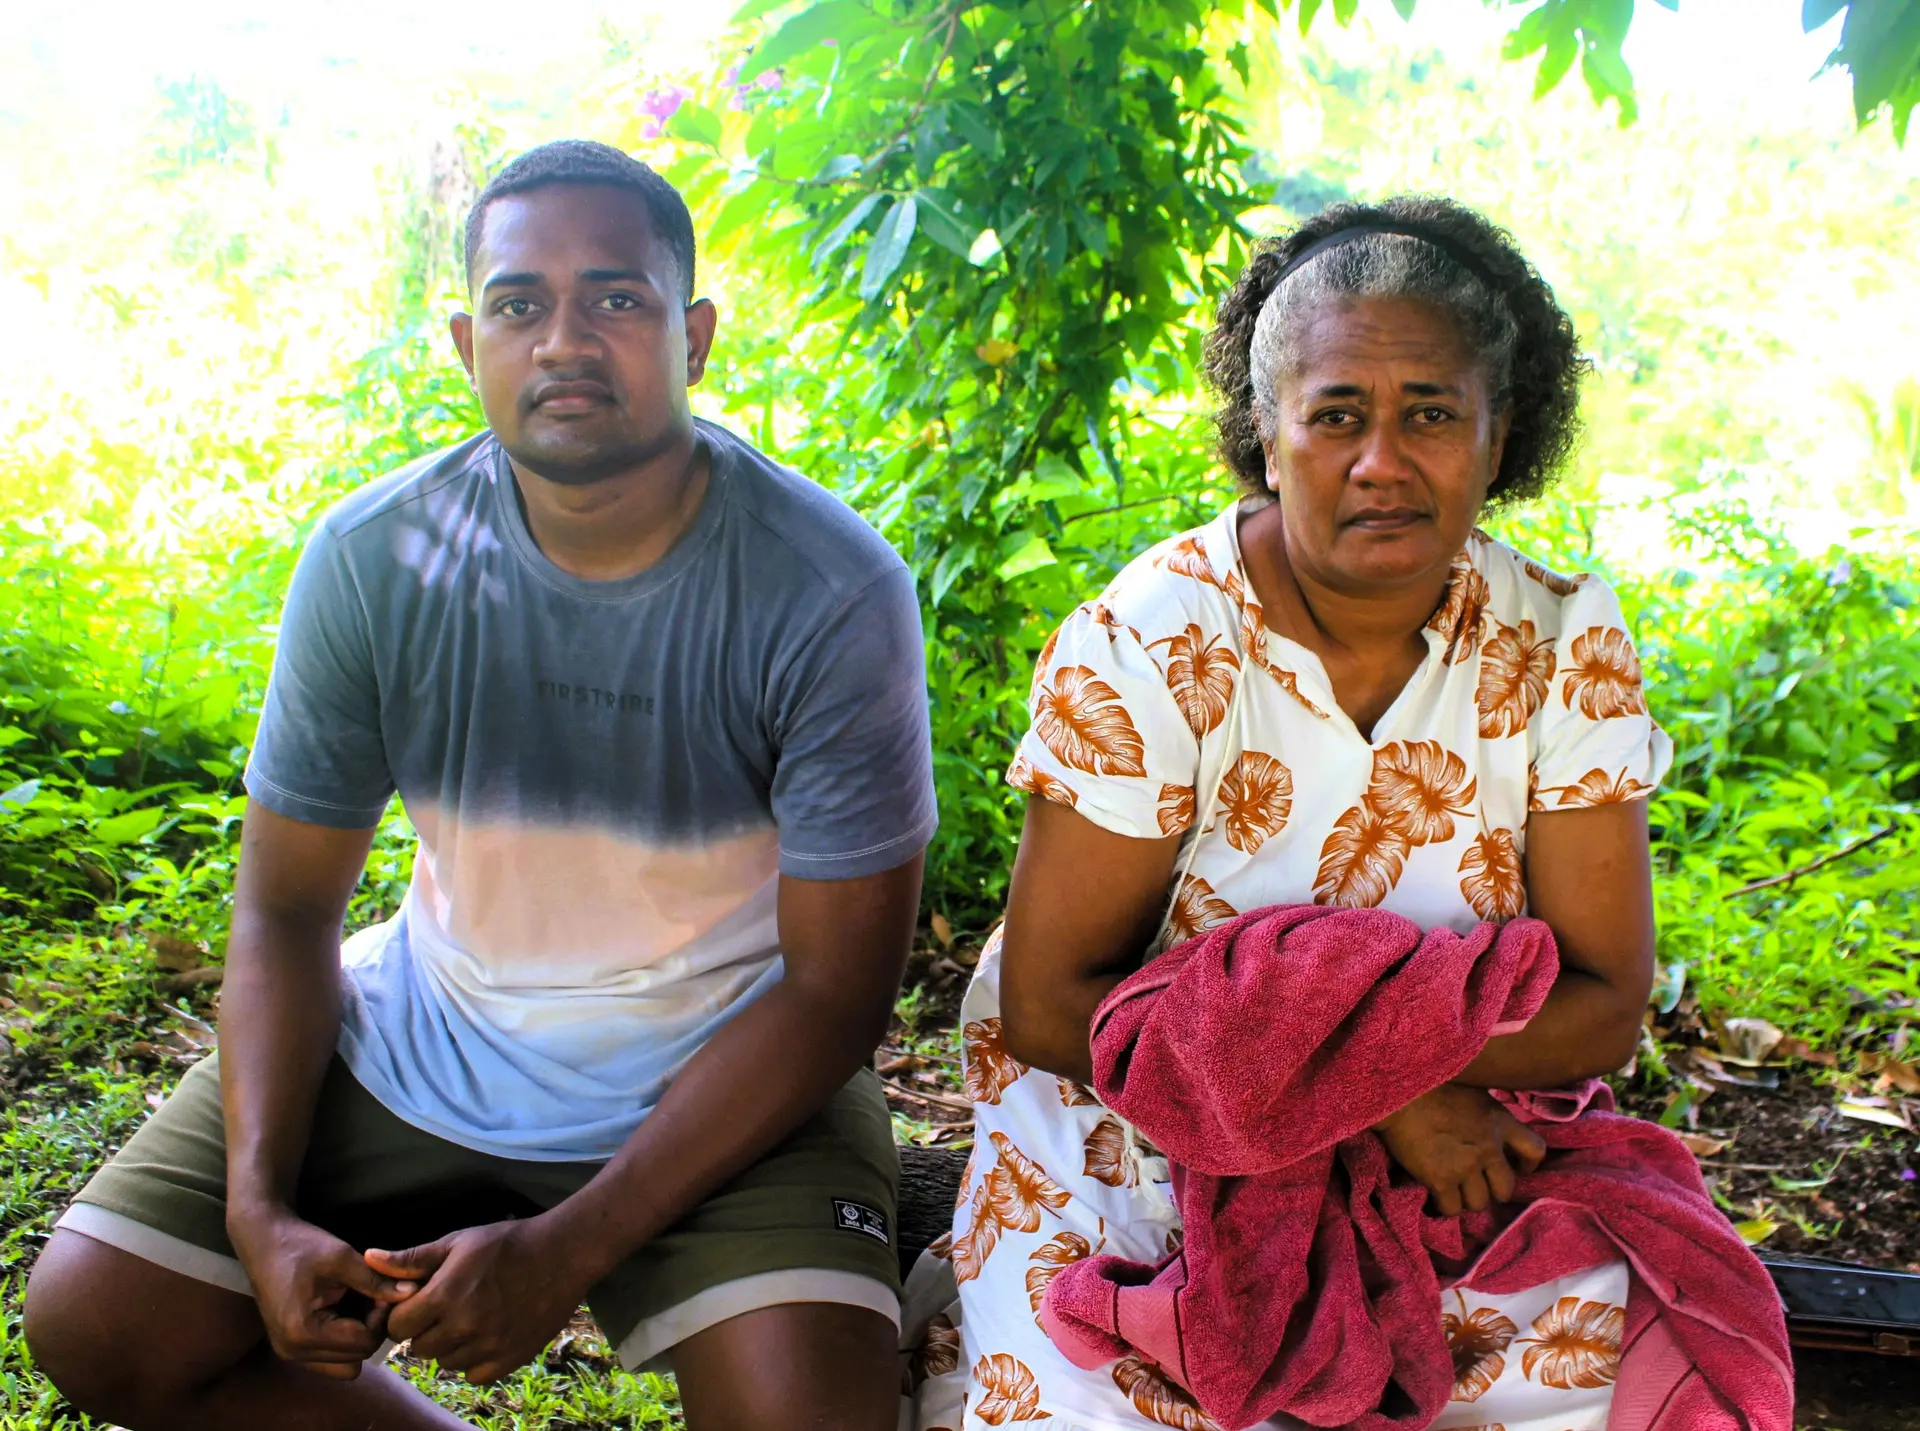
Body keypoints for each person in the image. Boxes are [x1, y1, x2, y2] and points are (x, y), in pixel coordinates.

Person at [26, 139, 935, 1431]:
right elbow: (284, 911)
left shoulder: (827, 587)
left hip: (728, 1060)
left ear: (698, 333)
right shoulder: (376, 559)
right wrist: (259, 1209)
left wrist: (567, 1245)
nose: (564, 339)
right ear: (467, 342)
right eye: (520, 304)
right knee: (98, 1320)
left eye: (617, 299)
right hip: (431, 1032)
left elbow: (840, 988)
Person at [915, 197, 1672, 1430]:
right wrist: (1382, 1086)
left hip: (1456, 1147)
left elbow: (1602, 1006)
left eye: (1431, 412)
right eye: (1335, 416)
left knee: (1608, 1371)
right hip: (1141, 1142)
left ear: (1500, 436)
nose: (1383, 461)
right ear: (1266, 435)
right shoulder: (1153, 642)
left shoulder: (1559, 640)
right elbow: (1049, 1007)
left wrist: (1384, 1095)